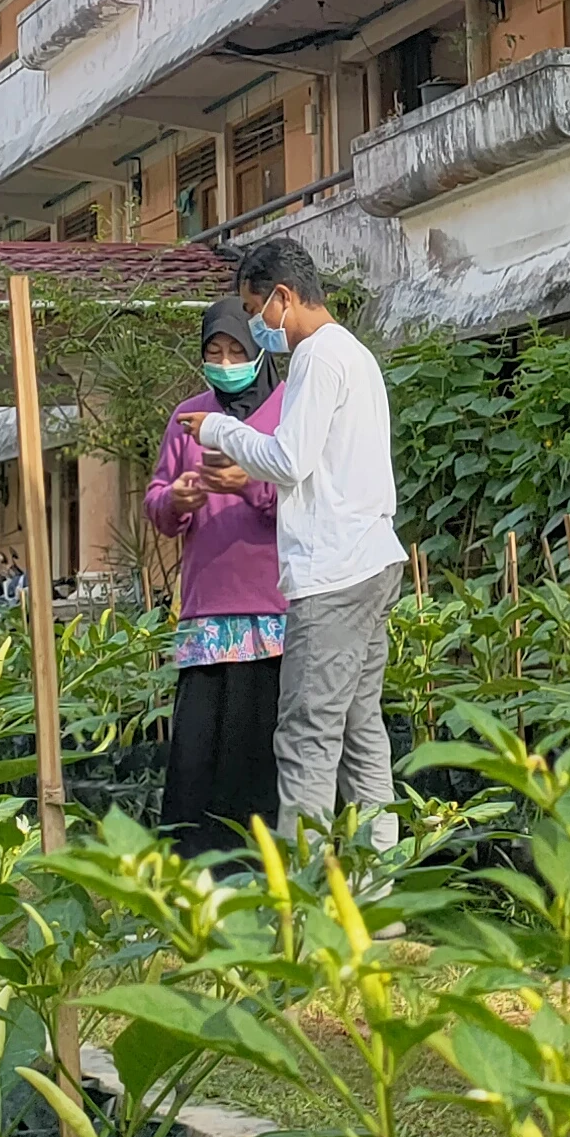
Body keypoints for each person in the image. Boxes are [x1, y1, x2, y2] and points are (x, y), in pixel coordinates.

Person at [195, 242, 405, 850]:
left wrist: (220, 429)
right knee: (362, 734)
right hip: (373, 558)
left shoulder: (316, 355)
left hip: (333, 574)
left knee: (307, 736)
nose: (259, 327)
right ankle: (375, 890)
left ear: (284, 298)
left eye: (256, 311)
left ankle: (304, 901)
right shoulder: (357, 356)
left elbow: (289, 459)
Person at [144, 299, 288, 853]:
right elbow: (157, 502)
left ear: (258, 354)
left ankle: (262, 860)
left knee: (259, 737)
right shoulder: (190, 417)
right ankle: (196, 862)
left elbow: (300, 498)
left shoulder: (284, 413)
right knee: (201, 742)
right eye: (214, 352)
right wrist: (177, 499)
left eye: (237, 351)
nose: (226, 362)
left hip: (274, 605)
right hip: (207, 607)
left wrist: (247, 484)